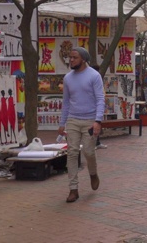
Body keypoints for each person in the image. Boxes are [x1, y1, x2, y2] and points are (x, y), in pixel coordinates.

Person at [58, 47, 105, 203]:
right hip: (73, 119)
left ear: (83, 59)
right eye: (69, 57)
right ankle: (73, 189)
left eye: (74, 57)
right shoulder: (67, 78)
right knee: (71, 153)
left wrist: (98, 121)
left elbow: (100, 99)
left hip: (90, 120)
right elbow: (66, 102)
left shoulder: (94, 76)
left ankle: (93, 173)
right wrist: (62, 123)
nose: (70, 60)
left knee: (89, 152)